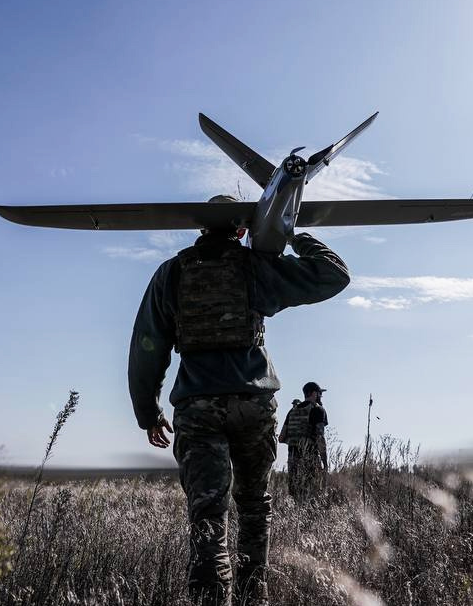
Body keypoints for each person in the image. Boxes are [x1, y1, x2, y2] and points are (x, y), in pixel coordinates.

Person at [128, 194, 350, 606]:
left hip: (197, 409)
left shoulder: (171, 273)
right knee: (253, 507)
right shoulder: (255, 267)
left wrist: (148, 411)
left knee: (208, 516)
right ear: (242, 228)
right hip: (254, 405)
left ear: (201, 227)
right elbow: (333, 275)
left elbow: (147, 345)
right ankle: (253, 597)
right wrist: (291, 233)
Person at [278, 381, 329, 501]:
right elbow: (320, 437)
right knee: (313, 495)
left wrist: (296, 439)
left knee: (296, 495)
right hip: (309, 458)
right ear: (314, 393)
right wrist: (325, 462)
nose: (321, 396)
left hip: (292, 458)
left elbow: (281, 438)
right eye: (320, 393)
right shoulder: (318, 410)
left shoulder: (292, 411)